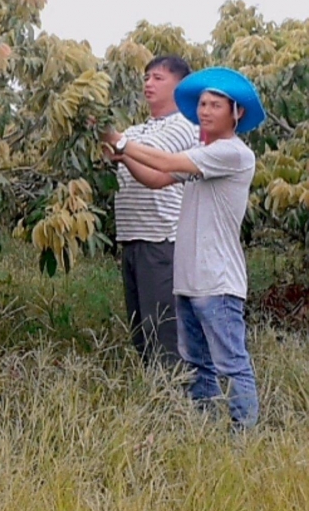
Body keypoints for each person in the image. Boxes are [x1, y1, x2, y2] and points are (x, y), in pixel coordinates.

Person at [104, 67, 264, 430]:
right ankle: (204, 429)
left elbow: (165, 162)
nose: (205, 111)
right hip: (189, 279)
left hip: (217, 281)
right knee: (199, 366)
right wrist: (124, 156)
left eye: (215, 105)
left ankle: (244, 437)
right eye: (203, 104)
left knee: (232, 363)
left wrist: (122, 142)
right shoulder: (201, 155)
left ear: (236, 112)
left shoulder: (232, 153)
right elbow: (157, 179)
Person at [112, 56, 198, 366]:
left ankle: (174, 396)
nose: (149, 83)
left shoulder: (186, 125)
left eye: (159, 78)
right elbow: (121, 148)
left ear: (179, 86)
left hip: (162, 239)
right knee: (141, 328)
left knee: (163, 328)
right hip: (133, 236)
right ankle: (155, 394)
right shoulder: (136, 130)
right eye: (147, 77)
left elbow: (153, 160)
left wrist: (118, 145)